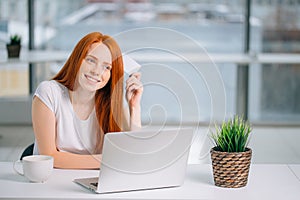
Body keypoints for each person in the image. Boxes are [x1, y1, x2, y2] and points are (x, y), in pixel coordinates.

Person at [31, 32, 143, 169]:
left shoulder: (111, 104)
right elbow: (49, 156)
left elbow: (134, 154)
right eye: (91, 60)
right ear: (77, 59)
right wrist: (109, 160)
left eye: (106, 67)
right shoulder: (49, 92)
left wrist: (134, 107)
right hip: (50, 181)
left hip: (92, 183)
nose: (97, 72)